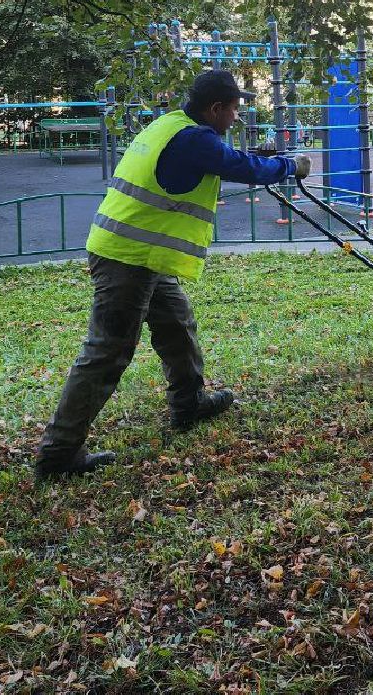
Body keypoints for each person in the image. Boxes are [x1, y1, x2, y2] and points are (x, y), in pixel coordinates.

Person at [34, 70, 310, 482]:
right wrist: (290, 166)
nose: (236, 118)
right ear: (214, 109)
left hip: (141, 253)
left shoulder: (170, 124)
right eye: (234, 110)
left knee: (177, 325)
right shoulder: (196, 139)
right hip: (127, 257)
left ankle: (189, 403)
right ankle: (58, 455)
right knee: (107, 352)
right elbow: (239, 165)